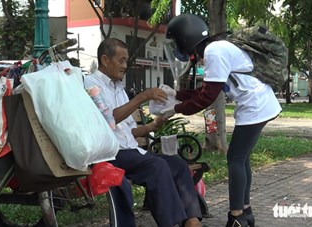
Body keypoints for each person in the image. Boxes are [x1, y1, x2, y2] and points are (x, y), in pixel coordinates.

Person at [162, 14, 282, 227]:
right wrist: (176, 95)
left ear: (186, 40)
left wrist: (175, 109)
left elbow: (207, 97)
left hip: (256, 106)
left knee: (235, 159)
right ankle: (245, 213)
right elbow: (207, 90)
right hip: (258, 104)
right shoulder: (216, 49)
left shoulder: (214, 52)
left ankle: (236, 217)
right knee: (241, 159)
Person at [84, 38, 204, 227]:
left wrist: (151, 126)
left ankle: (192, 220)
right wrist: (143, 96)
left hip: (131, 152)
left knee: (177, 164)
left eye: (126, 61)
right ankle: (170, 223)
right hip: (110, 153)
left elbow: (130, 131)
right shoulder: (91, 85)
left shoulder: (119, 88)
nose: (125, 66)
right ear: (105, 60)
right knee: (157, 166)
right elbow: (110, 120)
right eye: (121, 60)